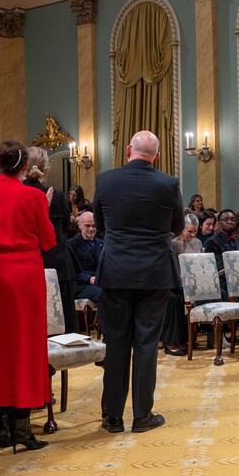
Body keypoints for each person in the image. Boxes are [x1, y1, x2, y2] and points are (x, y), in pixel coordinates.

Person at [94, 131, 184, 433]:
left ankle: (112, 417)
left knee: (116, 343)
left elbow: (101, 225)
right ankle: (142, 416)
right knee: (146, 344)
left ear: (129, 150)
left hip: (116, 269)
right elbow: (177, 226)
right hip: (154, 270)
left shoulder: (105, 180)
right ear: (156, 156)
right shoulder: (168, 184)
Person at [0, 142, 55, 453]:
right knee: (25, 346)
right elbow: (48, 240)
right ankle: (21, 427)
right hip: (23, 272)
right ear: (23, 167)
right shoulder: (33, 196)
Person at [25, 146, 77, 333]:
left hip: (30, 260)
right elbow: (65, 224)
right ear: (46, 168)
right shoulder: (55, 195)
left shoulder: (20, 193)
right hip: (57, 259)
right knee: (60, 316)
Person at [162, 213, 201, 356]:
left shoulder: (198, 243)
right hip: (174, 284)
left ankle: (188, 339)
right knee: (174, 299)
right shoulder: (173, 243)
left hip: (192, 284)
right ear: (181, 229)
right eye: (189, 231)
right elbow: (172, 269)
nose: (192, 234)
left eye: (195, 231)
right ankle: (172, 342)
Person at [67, 210, 104, 322]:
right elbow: (72, 271)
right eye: (87, 226)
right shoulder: (71, 244)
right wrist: (89, 279)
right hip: (81, 284)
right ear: (79, 225)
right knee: (103, 293)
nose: (91, 229)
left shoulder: (101, 242)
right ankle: (107, 330)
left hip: (100, 281)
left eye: (93, 225)